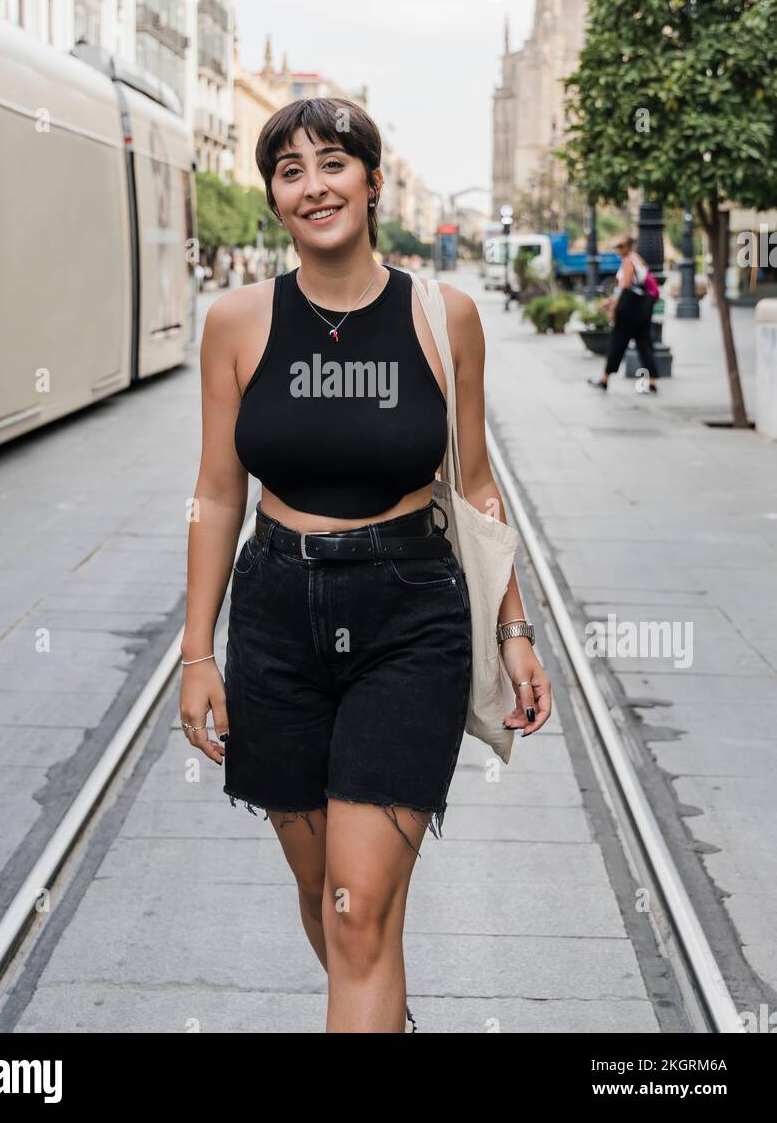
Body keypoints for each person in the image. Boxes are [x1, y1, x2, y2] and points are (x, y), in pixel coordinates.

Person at [178, 96, 551, 1034]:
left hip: (408, 614)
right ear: (274, 201)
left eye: (334, 163)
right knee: (325, 904)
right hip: (275, 618)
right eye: (291, 171)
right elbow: (219, 493)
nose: (315, 185)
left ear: (373, 183)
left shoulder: (442, 315)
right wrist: (196, 652)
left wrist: (514, 630)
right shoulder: (234, 323)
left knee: (359, 913)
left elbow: (474, 486)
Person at [588, 234, 659, 393]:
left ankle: (604, 380)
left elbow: (624, 286)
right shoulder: (637, 259)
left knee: (617, 344)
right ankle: (651, 381)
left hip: (629, 309)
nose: (617, 250)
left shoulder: (628, 261)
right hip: (642, 309)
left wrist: (612, 306)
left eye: (620, 246)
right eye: (615, 247)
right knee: (644, 344)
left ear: (627, 247)